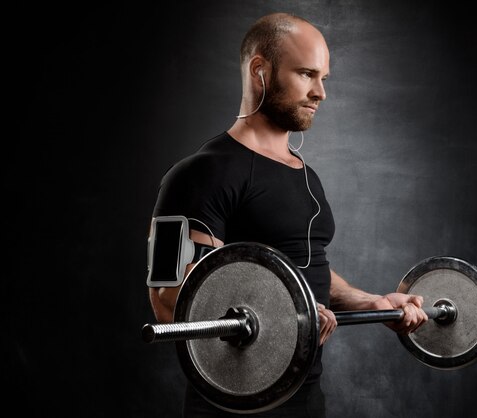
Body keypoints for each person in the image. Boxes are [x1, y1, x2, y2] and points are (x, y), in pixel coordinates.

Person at [147, 12, 428, 417]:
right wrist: (283, 315)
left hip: (307, 400)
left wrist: (371, 302)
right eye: (306, 74)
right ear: (260, 70)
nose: (320, 93)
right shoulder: (199, 174)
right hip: (234, 409)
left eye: (324, 79)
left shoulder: (306, 176)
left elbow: (305, 270)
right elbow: (168, 300)